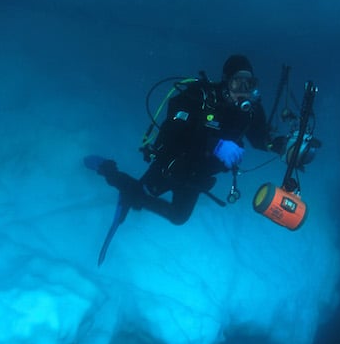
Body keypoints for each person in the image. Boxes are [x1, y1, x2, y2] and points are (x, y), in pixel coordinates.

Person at [85, 54, 290, 227]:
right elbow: (175, 130)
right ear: (226, 80)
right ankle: (107, 169)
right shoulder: (199, 96)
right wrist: (215, 144)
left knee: (179, 216)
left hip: (198, 174)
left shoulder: (251, 110)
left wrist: (279, 145)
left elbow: (259, 138)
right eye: (238, 83)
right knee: (142, 193)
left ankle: (132, 193)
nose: (242, 91)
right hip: (174, 162)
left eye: (249, 84)